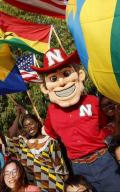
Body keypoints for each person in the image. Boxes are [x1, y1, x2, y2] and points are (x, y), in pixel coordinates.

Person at [32, 48, 120, 191]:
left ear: (79, 75)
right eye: (53, 78)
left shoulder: (92, 101)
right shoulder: (52, 112)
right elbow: (51, 134)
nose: (61, 82)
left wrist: (101, 138)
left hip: (103, 161)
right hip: (79, 168)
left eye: (66, 74)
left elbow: (109, 124)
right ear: (45, 87)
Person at [7, 106, 69, 191]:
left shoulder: (50, 142)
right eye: (26, 126)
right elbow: (11, 134)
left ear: (37, 123)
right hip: (35, 188)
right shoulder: (23, 145)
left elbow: (61, 168)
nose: (30, 128)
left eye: (31, 123)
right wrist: (18, 115)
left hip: (56, 185)